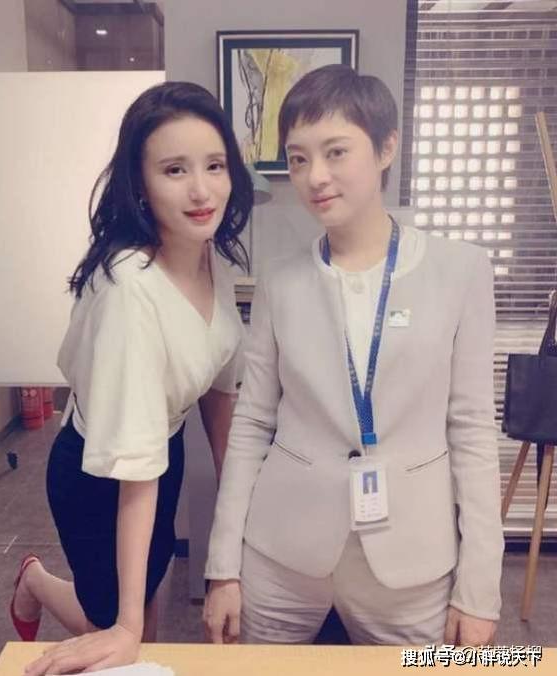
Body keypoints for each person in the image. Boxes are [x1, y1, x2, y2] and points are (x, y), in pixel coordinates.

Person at [203, 64, 504, 647]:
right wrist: (224, 568)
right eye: (298, 159)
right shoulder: (280, 281)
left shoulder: (461, 271)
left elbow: (471, 431)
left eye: (336, 152)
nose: (315, 176)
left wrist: (479, 591)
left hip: (411, 565)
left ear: (387, 147)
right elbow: (252, 424)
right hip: (281, 555)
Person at [9, 81, 253, 675]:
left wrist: (234, 520)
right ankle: (35, 582)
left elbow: (218, 390)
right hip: (97, 469)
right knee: (114, 628)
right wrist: (126, 628)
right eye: (175, 169)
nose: (201, 190)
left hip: (160, 450)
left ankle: (100, 607)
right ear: (140, 183)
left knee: (141, 597)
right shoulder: (129, 290)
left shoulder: (210, 253)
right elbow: (132, 467)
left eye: (214, 165)